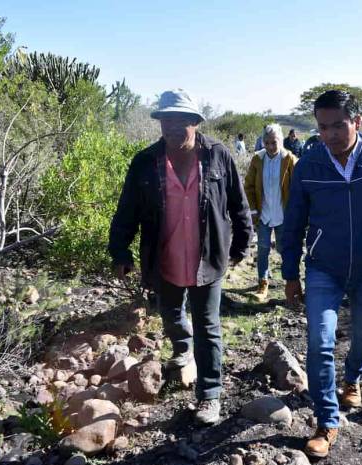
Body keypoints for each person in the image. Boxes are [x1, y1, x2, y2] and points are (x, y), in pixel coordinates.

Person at [281, 90, 362, 458]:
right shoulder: (309, 165)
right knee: (319, 342)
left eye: (338, 125)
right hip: (324, 267)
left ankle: (353, 378)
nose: (330, 135)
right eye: (322, 127)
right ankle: (327, 421)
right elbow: (293, 224)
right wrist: (290, 273)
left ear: (356, 122)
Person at [108, 89, 252, 426]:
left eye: (181, 121)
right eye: (166, 120)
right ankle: (183, 347)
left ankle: (209, 395)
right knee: (171, 315)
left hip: (209, 257)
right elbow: (127, 209)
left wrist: (242, 244)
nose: (172, 127)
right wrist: (120, 250)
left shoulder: (218, 155)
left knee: (209, 326)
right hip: (165, 256)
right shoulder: (145, 162)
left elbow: (238, 203)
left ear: (195, 122)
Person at [244, 124, 298, 301]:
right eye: (266, 142)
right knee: (263, 249)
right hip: (264, 214)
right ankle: (263, 283)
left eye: (273, 142)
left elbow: (298, 186)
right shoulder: (257, 159)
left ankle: (292, 282)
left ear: (281, 141)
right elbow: (249, 186)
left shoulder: (289, 159)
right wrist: (252, 210)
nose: (270, 146)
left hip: (283, 215)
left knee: (285, 249)